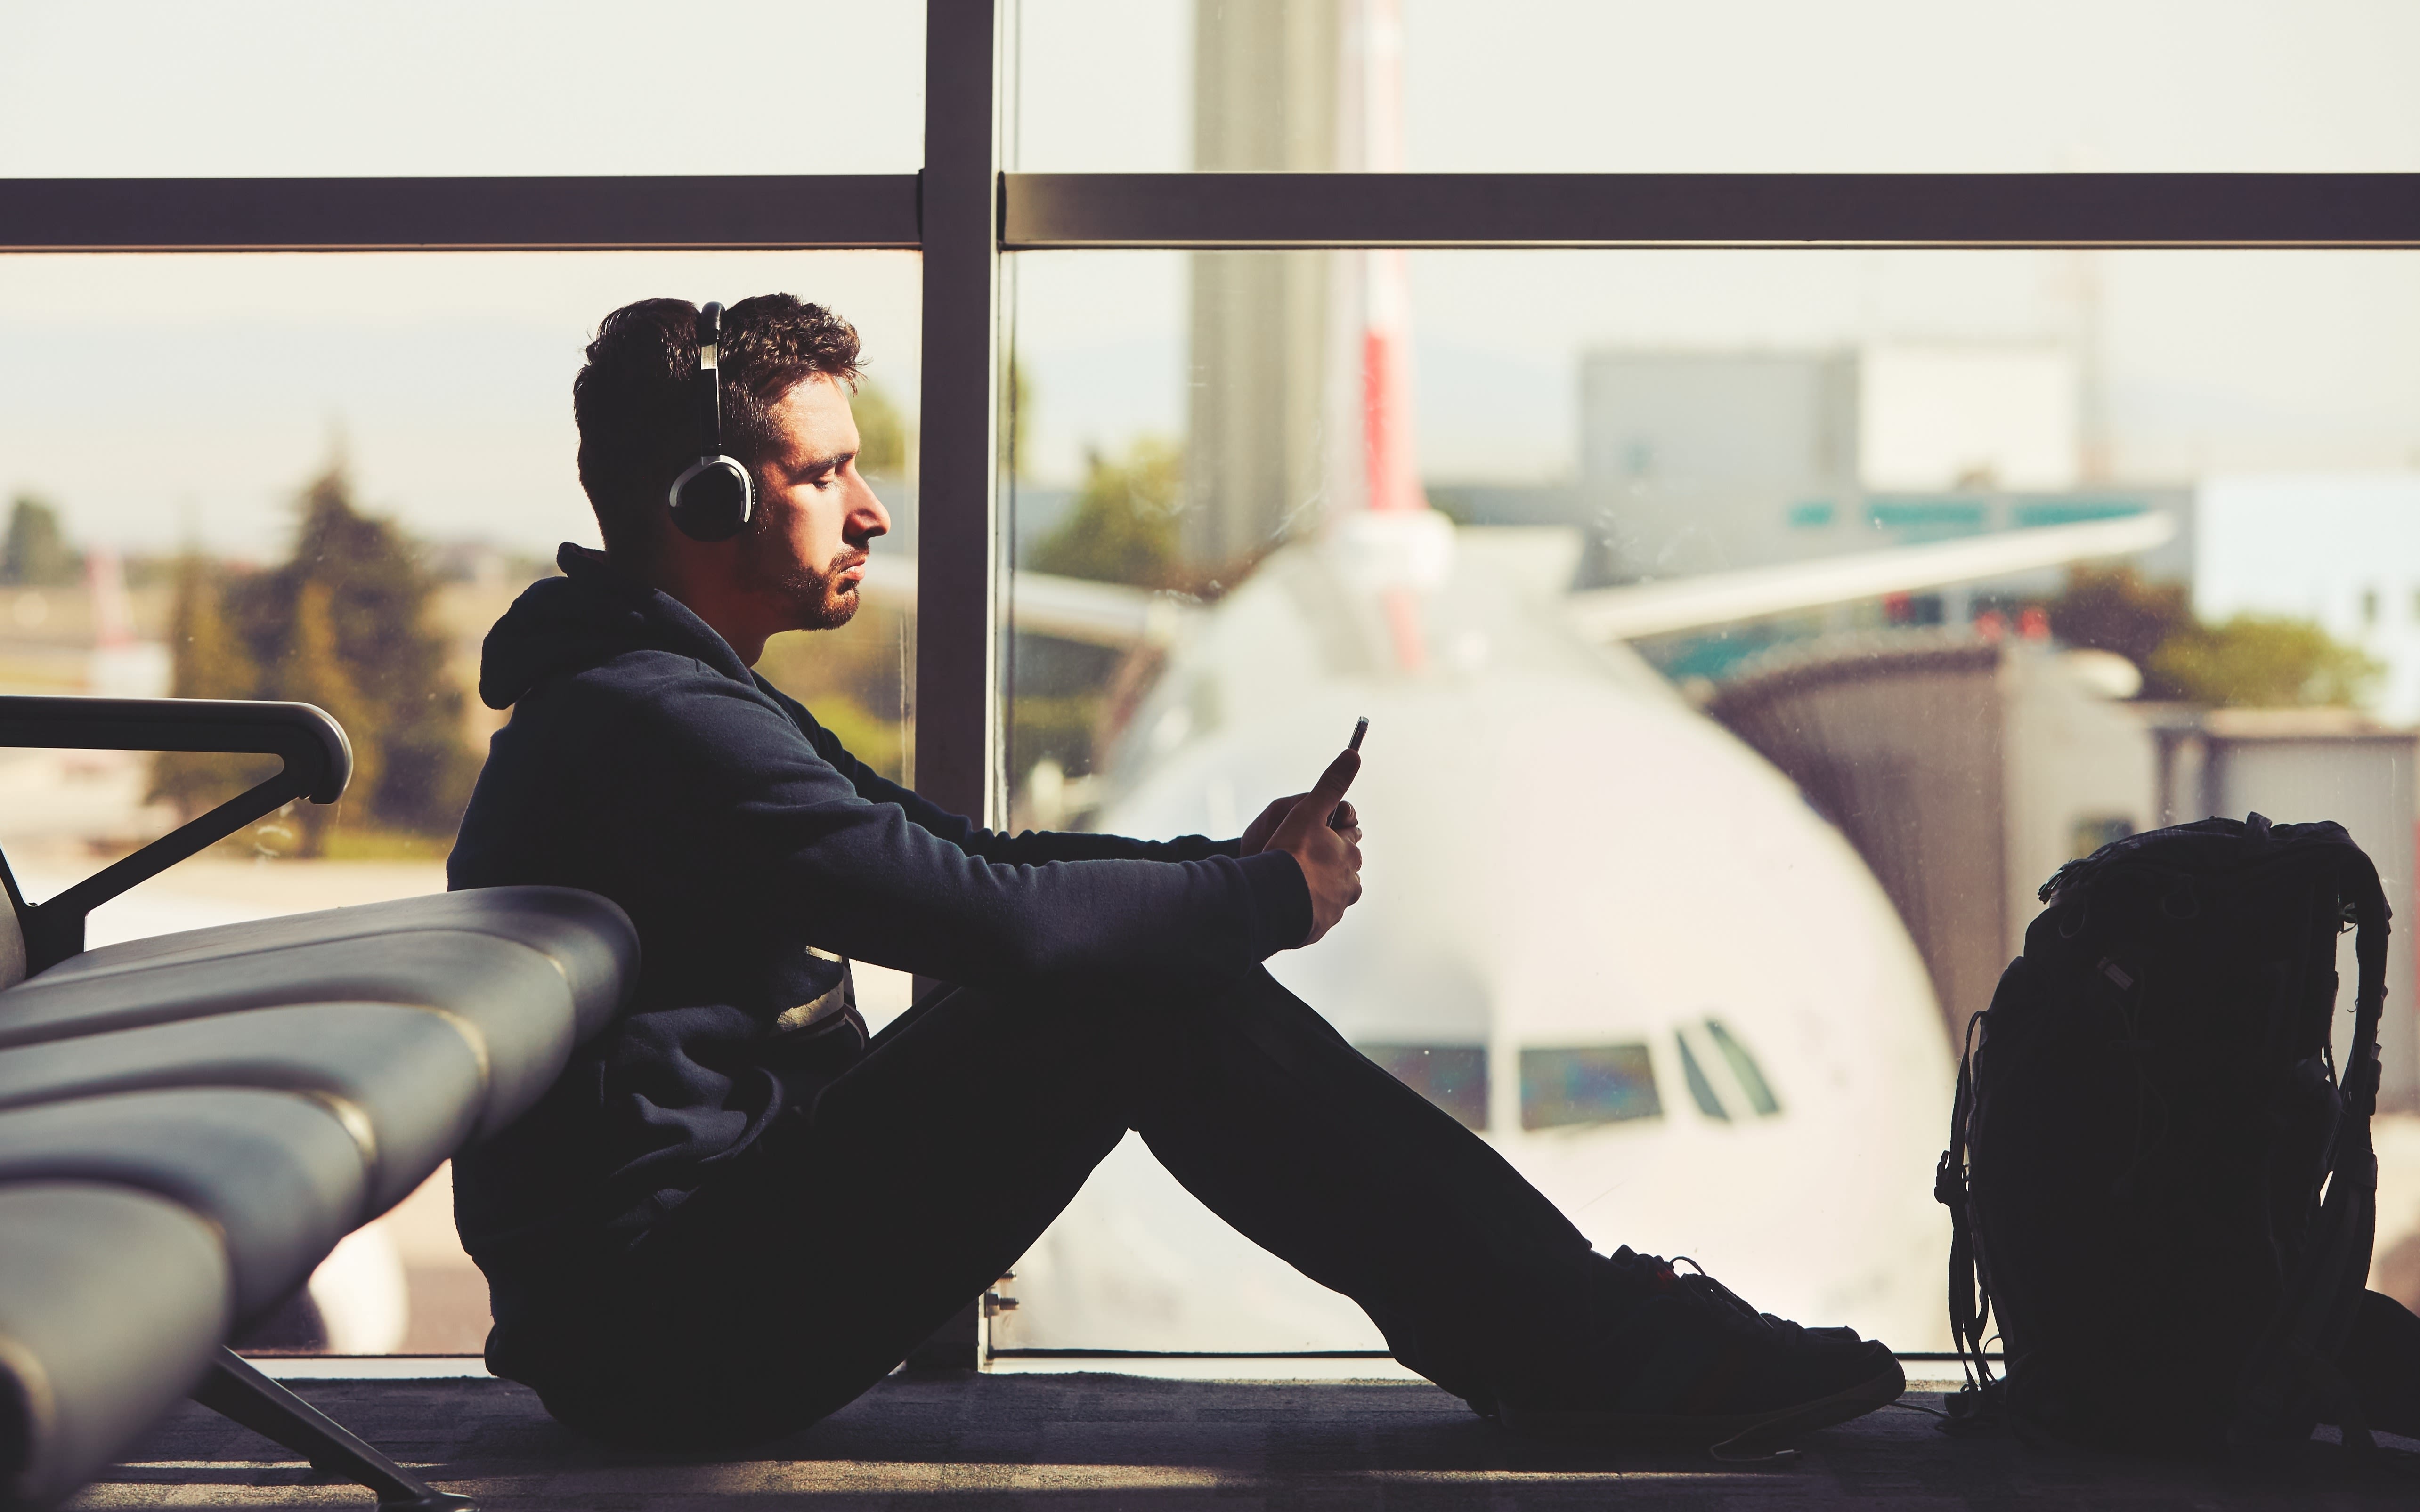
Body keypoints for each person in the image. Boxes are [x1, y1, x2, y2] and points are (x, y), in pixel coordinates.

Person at [446, 293, 1906, 1451]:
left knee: (1150, 972)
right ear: (703, 504)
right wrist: (1257, 904)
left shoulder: (656, 695)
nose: (872, 511)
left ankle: (1590, 1342)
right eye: (825, 473)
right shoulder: (656, 722)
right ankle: (1599, 1348)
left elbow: (970, 856)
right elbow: (980, 917)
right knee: (1142, 997)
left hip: (685, 1291)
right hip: (669, 1336)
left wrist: (1218, 869)